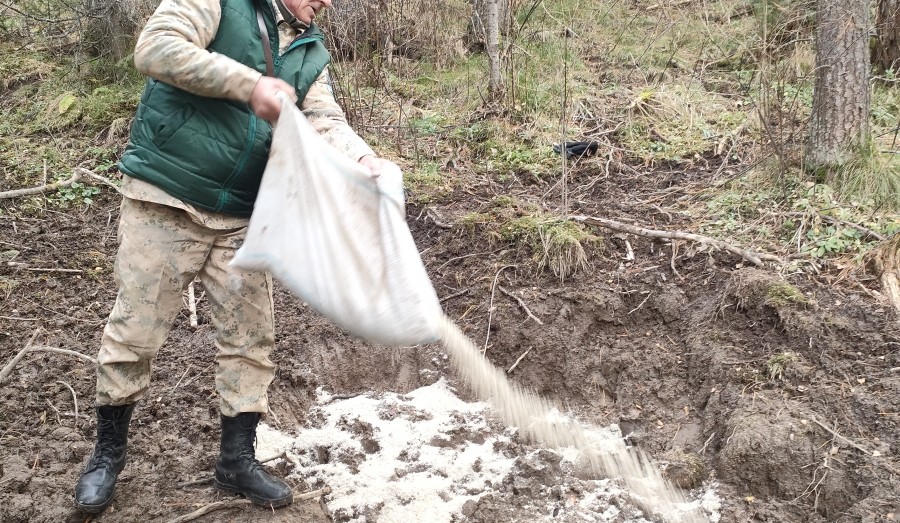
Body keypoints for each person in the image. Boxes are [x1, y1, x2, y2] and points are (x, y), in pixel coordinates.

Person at [74, 0, 396, 513]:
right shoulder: (218, 3)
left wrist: (362, 157)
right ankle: (107, 455)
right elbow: (157, 47)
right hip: (167, 196)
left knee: (251, 339)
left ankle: (236, 461)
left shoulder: (310, 49)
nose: (328, 2)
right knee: (135, 332)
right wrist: (249, 84)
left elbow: (322, 117)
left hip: (244, 216)